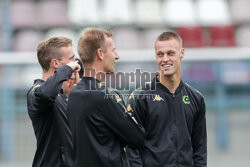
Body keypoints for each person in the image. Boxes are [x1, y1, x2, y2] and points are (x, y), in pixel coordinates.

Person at [126, 31, 207, 167]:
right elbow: (132, 150)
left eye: (170, 53)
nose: (165, 59)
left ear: (182, 53)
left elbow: (199, 150)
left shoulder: (196, 98)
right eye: (160, 54)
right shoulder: (140, 97)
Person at [67, 28, 145, 167]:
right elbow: (137, 138)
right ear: (100, 54)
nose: (117, 56)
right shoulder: (104, 96)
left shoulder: (74, 93)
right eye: (113, 50)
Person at [27, 36, 81, 167]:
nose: (76, 64)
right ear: (56, 64)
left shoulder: (62, 94)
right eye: (71, 60)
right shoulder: (36, 91)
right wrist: (68, 69)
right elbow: (46, 94)